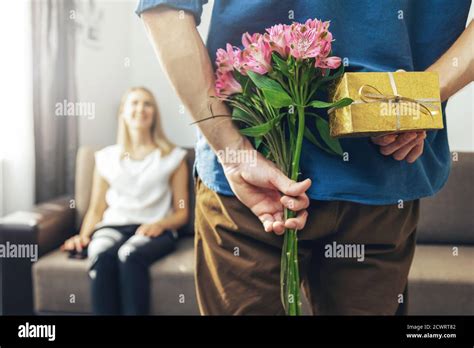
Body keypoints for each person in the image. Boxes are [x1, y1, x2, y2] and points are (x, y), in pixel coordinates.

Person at [137, 0, 473, 315]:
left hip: (260, 171)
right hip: (269, 182)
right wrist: (427, 92)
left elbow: (164, 9)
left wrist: (233, 151)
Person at [62, 87, 189, 315]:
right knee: (100, 253)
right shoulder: (105, 157)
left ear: (155, 113)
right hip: (111, 227)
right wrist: (83, 235)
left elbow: (182, 213)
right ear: (123, 112)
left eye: (147, 103)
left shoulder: (173, 157)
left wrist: (161, 224)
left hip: (154, 231)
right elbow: (96, 209)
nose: (141, 109)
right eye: (135, 103)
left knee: (130, 255)